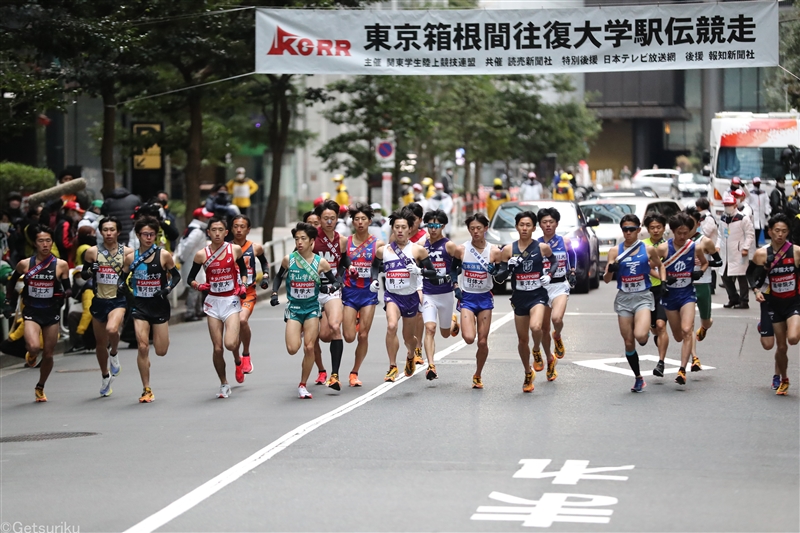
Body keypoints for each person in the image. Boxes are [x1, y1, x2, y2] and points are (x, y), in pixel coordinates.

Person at [270, 222, 339, 399]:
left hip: (312, 309)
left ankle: (303, 384)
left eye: (303, 239)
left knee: (309, 348)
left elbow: (336, 281)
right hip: (294, 309)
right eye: (297, 239)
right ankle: (298, 332)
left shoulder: (320, 262)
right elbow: (278, 277)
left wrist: (329, 289)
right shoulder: (289, 259)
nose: (299, 242)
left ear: (312, 242)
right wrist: (274, 293)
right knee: (293, 349)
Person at [2, 226, 70, 402]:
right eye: (41, 241)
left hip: (51, 312)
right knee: (33, 346)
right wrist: (8, 303)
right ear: (34, 243)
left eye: (48, 241)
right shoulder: (25, 264)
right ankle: (30, 355)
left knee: (48, 353)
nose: (45, 245)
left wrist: (65, 293)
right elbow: (11, 284)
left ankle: (40, 386)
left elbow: (68, 288)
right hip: (31, 310)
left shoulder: (60, 265)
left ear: (52, 242)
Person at [186, 217, 249, 399]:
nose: (217, 233)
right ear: (208, 232)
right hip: (213, 302)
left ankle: (237, 359)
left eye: (221, 230)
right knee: (218, 348)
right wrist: (199, 286)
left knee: (230, 343)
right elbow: (190, 278)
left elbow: (243, 271)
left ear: (226, 232)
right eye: (214, 230)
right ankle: (224, 383)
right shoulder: (202, 254)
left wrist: (243, 285)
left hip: (231, 300)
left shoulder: (234, 249)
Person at [497, 211, 559, 393]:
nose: (524, 228)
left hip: (537, 295)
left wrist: (549, 274)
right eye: (521, 225)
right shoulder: (508, 250)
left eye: (528, 225)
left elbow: (554, 261)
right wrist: (508, 268)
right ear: (517, 227)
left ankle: (537, 350)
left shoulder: (541, 247)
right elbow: (500, 278)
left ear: (534, 228)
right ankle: (527, 372)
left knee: (536, 327)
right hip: (519, 297)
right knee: (522, 340)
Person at [604, 214, 664, 393]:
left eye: (632, 229)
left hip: (643, 296)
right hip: (624, 299)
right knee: (629, 342)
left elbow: (657, 266)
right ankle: (638, 377)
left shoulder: (647, 249)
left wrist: (665, 280)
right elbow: (606, 279)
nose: (628, 232)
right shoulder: (615, 251)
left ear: (639, 230)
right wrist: (611, 269)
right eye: (625, 229)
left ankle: (648, 332)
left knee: (640, 336)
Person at [376, 210, 438, 382]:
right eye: (397, 227)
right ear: (393, 229)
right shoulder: (384, 251)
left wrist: (419, 271)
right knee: (391, 326)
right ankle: (392, 366)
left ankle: (411, 354)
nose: (400, 231)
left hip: (410, 297)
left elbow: (432, 272)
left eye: (404, 227)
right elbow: (375, 264)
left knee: (408, 338)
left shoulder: (418, 250)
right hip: (392, 296)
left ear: (410, 229)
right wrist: (374, 279)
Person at [126, 216, 182, 403]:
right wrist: (124, 290)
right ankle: (146, 389)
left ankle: (146, 361)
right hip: (140, 305)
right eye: (145, 234)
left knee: (160, 350)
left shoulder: (164, 255)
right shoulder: (131, 258)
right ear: (138, 235)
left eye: (152, 234)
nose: (148, 238)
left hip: (159, 305)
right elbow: (122, 278)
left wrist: (166, 289)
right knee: (142, 346)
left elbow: (176, 277)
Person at [80, 217, 134, 397]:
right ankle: (105, 376)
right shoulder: (91, 252)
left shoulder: (127, 252)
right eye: (105, 230)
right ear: (100, 232)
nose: (109, 233)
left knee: (112, 329)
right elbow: (83, 274)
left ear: (118, 232)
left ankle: (115, 353)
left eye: (112, 229)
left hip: (118, 300)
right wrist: (91, 270)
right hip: (99, 300)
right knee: (100, 343)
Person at [748, 214, 800, 395]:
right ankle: (782, 377)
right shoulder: (762, 254)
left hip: (793, 302)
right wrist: (756, 291)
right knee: (773, 345)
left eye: (784, 231)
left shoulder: (796, 251)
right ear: (769, 231)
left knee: (792, 339)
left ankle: (781, 377)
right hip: (771, 302)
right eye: (777, 230)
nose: (780, 234)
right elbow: (750, 275)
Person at [655, 213, 708, 386]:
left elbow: (705, 263)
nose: (682, 236)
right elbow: (648, 265)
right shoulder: (663, 248)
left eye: (686, 232)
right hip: (670, 296)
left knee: (687, 330)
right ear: (673, 231)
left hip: (687, 295)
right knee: (678, 335)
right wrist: (663, 280)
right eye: (679, 233)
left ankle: (682, 370)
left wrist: (699, 271)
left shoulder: (694, 247)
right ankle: (683, 365)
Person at [452, 214, 502, 389]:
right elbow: (453, 269)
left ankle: (478, 374)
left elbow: (503, 273)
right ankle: (455, 322)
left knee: (482, 342)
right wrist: (455, 285)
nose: (475, 232)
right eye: (472, 228)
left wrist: (495, 270)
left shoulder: (494, 251)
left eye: (478, 228)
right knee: (468, 338)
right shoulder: (462, 250)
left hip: (485, 297)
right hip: (468, 297)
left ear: (485, 228)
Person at [341, 203, 384, 387]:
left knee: (363, 336)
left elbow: (381, 265)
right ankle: (355, 320)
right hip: (350, 291)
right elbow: (339, 261)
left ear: (369, 221)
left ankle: (354, 372)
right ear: (352, 222)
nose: (360, 222)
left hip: (368, 293)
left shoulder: (378, 244)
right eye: (356, 219)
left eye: (363, 219)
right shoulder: (345, 242)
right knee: (349, 336)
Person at [534, 207, 577, 381]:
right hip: (542, 288)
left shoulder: (564, 241)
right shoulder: (535, 244)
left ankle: (557, 335)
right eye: (544, 222)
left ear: (557, 224)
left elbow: (572, 254)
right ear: (540, 225)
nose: (548, 225)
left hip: (560, 285)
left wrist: (572, 270)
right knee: (543, 328)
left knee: (556, 320)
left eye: (551, 222)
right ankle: (549, 359)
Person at [311, 200, 347, 390]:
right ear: (319, 219)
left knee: (334, 327)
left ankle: (334, 375)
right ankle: (320, 369)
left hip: (332, 289)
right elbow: (296, 260)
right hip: (313, 290)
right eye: (325, 218)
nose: (329, 222)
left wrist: (339, 277)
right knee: (320, 336)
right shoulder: (311, 239)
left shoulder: (341, 240)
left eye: (333, 218)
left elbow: (344, 261)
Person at [420, 210, 460, 381]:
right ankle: (431, 365)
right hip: (428, 293)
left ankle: (452, 322)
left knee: (445, 333)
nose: (433, 229)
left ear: (443, 226)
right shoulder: (423, 244)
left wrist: (452, 276)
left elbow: (459, 263)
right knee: (430, 328)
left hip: (445, 294)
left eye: (436, 226)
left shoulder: (449, 245)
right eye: (430, 225)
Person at [230, 214, 269, 375]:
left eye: (242, 227)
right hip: (229, 294)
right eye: (235, 226)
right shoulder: (227, 248)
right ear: (231, 229)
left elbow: (264, 262)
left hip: (248, 292)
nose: (239, 230)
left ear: (248, 229)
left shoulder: (255, 247)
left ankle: (246, 354)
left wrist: (265, 275)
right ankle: (237, 360)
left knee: (242, 320)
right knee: (232, 331)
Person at [686, 207, 723, 369]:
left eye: (690, 223)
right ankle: (694, 357)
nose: (686, 227)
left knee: (705, 320)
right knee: (688, 325)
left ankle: (706, 326)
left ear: (699, 223)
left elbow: (719, 261)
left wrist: (704, 264)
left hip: (703, 283)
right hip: (685, 285)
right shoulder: (679, 240)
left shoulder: (705, 241)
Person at [642, 213, 670, 374]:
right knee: (653, 327)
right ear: (647, 229)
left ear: (664, 228)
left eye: (659, 227)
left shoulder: (667, 246)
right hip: (645, 290)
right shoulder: (643, 246)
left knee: (661, 325)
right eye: (652, 227)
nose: (656, 230)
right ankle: (654, 333)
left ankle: (661, 363)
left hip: (663, 290)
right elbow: (645, 267)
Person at [718, 193, 755, 309]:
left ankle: (744, 301)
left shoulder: (743, 218)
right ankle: (733, 298)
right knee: (724, 276)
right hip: (726, 253)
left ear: (735, 205)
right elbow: (720, 235)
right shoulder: (723, 218)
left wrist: (745, 248)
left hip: (739, 252)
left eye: (729, 204)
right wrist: (718, 245)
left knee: (741, 276)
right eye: (725, 205)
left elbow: (750, 234)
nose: (727, 207)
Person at [175, 208, 211, 322]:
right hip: (192, 262)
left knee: (197, 287)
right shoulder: (197, 231)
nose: (207, 218)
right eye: (205, 216)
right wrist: (183, 258)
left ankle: (198, 310)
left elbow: (183, 244)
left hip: (192, 262)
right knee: (194, 288)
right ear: (200, 217)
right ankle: (191, 312)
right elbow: (188, 246)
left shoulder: (192, 229)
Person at [696, 197, 719, 294]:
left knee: (711, 265)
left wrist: (699, 225)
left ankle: (712, 286)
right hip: (704, 245)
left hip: (709, 245)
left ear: (699, 207)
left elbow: (707, 232)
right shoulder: (702, 216)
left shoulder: (708, 218)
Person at [54, 201, 83, 267]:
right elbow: (65, 243)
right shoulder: (65, 224)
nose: (78, 215)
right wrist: (75, 244)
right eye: (77, 212)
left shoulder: (65, 222)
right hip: (64, 256)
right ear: (70, 211)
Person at [747, 177, 770, 245]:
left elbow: (766, 202)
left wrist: (767, 211)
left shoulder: (763, 192)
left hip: (761, 213)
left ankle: (756, 242)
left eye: (758, 183)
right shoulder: (750, 192)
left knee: (760, 227)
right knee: (753, 228)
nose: (757, 184)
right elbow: (747, 202)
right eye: (756, 183)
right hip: (753, 213)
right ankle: (752, 243)